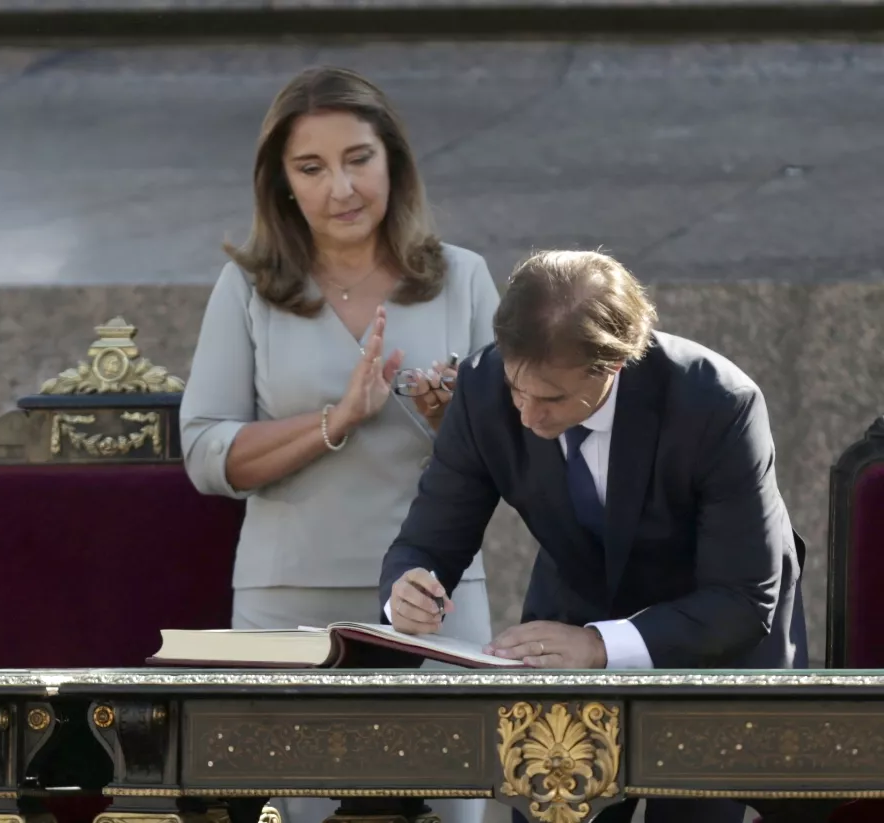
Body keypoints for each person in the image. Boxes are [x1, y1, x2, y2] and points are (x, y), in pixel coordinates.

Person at [380, 249, 808, 823]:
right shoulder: (484, 389)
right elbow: (428, 540)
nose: (528, 415)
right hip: (573, 613)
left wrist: (601, 646)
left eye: (552, 397)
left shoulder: (717, 403)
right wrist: (405, 591)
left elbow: (742, 598)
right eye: (517, 389)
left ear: (612, 366)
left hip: (716, 639)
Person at [181, 65, 498, 823]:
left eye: (359, 159)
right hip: (288, 609)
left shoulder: (464, 278)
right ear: (282, 183)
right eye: (312, 168)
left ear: (393, 161)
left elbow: (528, 450)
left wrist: (457, 418)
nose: (341, 189)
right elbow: (204, 453)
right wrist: (335, 419)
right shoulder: (248, 288)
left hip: (436, 605)